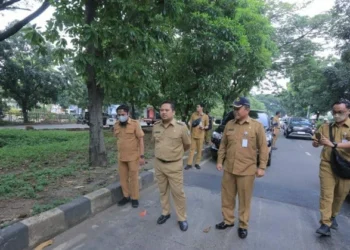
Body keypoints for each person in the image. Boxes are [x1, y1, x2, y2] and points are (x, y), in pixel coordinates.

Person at [215, 97, 268, 239]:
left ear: (247, 109)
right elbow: (223, 145)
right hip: (229, 169)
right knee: (227, 197)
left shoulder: (257, 126)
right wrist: (220, 161)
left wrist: (262, 166)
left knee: (244, 199)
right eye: (234, 108)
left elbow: (263, 148)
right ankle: (228, 220)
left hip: (247, 170)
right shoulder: (229, 125)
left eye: (238, 108)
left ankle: (243, 225)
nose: (235, 111)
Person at [312, 100, 350, 236]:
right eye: (334, 112)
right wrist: (316, 143)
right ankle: (325, 223)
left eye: (340, 112)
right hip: (327, 164)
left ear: (348, 111)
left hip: (347, 167)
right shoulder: (325, 127)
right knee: (327, 195)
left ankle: (333, 216)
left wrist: (334, 144)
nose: (337, 115)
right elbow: (315, 141)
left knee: (340, 196)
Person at [152, 101, 191, 231]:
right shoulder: (156, 126)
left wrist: (175, 154)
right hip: (159, 164)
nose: (163, 112)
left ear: (173, 112)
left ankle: (182, 218)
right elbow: (156, 143)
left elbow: (187, 145)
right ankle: (165, 212)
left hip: (174, 165)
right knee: (163, 191)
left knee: (178, 193)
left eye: (166, 110)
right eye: (161, 110)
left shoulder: (181, 127)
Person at [113, 104, 145, 208]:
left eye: (123, 114)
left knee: (133, 178)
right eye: (119, 114)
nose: (121, 116)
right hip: (121, 157)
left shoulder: (135, 124)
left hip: (133, 157)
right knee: (123, 178)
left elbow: (141, 140)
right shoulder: (116, 125)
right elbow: (118, 139)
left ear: (128, 114)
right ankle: (126, 196)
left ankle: (134, 198)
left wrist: (141, 156)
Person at [185, 103, 209, 170]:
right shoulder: (193, 114)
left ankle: (197, 163)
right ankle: (189, 164)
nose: (197, 108)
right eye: (196, 107)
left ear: (202, 108)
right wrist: (189, 125)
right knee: (191, 150)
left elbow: (207, 126)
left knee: (199, 150)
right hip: (193, 135)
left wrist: (203, 127)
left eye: (198, 107)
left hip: (201, 136)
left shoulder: (205, 116)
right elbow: (190, 122)